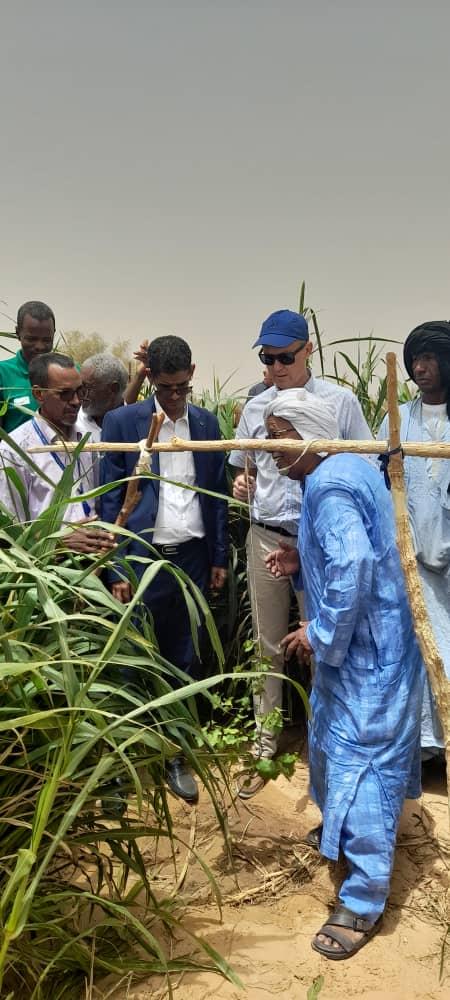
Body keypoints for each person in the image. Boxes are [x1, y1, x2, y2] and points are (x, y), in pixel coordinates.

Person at [264, 387, 424, 961]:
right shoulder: (350, 466)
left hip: (365, 650)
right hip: (371, 642)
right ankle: (343, 835)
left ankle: (362, 898)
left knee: (363, 761)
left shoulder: (329, 486)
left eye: (279, 435)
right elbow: (362, 546)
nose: (270, 448)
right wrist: (301, 558)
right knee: (335, 745)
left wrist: (319, 631)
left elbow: (354, 560)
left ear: (310, 435)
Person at [230, 309, 372, 795]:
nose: (275, 367)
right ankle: (265, 741)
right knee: (268, 642)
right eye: (267, 358)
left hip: (320, 537)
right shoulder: (256, 407)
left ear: (308, 350)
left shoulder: (340, 401)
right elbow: (240, 466)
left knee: (325, 641)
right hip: (269, 534)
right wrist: (241, 481)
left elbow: (366, 460)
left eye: (284, 357)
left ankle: (322, 742)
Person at [100, 335, 228, 804]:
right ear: (150, 377)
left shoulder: (208, 424)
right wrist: (114, 567)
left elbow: (214, 494)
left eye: (181, 387)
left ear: (192, 374)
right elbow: (109, 501)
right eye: (166, 387)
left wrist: (217, 558)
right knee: (131, 661)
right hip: (139, 559)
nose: (174, 397)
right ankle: (123, 764)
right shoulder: (122, 421)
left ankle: (174, 752)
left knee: (184, 658)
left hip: (190, 559)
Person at [378, 321, 450, 761]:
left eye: (430, 359)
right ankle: (426, 749)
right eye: (415, 360)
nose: (421, 368)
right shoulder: (397, 419)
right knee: (426, 648)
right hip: (413, 557)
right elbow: (376, 479)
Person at [0, 352, 116, 556]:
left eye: (80, 391)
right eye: (64, 394)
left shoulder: (88, 439)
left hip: (96, 563)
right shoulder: (15, 450)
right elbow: (9, 531)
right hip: (48, 573)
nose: (76, 401)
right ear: (38, 394)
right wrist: (59, 543)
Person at [0, 300, 55, 433]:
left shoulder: (71, 373)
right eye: (31, 339)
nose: (40, 347)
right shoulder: (3, 374)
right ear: (18, 333)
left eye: (47, 340)